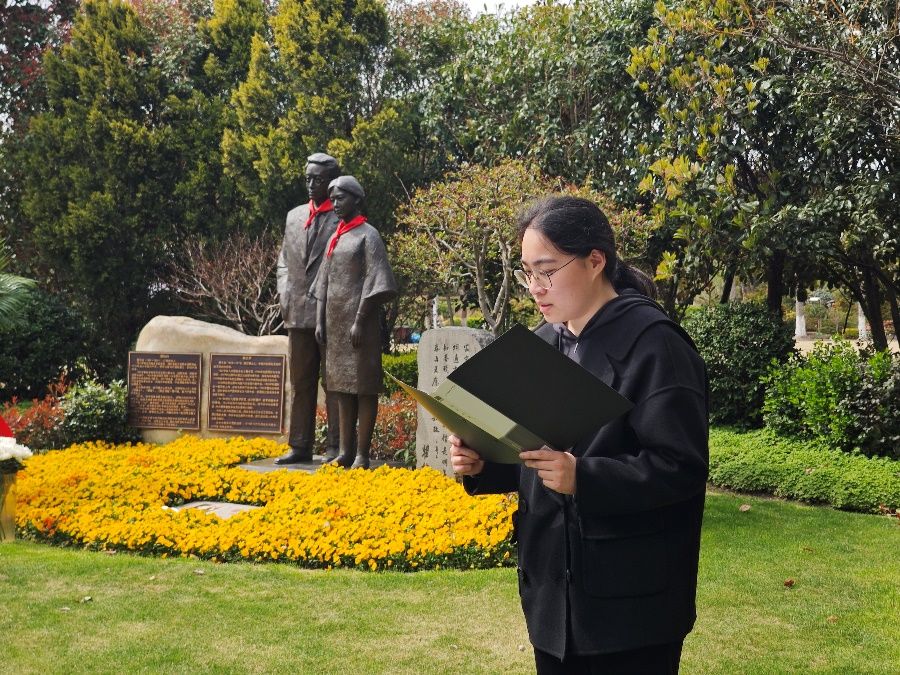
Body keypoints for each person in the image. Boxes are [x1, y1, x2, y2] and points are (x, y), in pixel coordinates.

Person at [450, 196, 708, 674]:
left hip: (631, 606)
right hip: (552, 595)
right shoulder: (542, 344)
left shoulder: (655, 344)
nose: (535, 287)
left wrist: (583, 477)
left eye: (547, 271)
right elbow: (533, 454)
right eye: (528, 273)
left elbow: (681, 467)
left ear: (595, 261)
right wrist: (484, 463)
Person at [314, 175, 397, 469]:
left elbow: (376, 280)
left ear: (356, 199)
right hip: (335, 324)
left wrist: (360, 320)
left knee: (363, 388)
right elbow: (323, 282)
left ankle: (362, 453)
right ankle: (345, 452)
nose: (335, 204)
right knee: (341, 388)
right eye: (332, 199)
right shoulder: (336, 237)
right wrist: (320, 320)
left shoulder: (368, 235)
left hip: (360, 324)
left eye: (340, 198)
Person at [275, 152, 342, 464]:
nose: (312, 184)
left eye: (318, 179)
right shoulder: (294, 216)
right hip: (297, 311)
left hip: (330, 314)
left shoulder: (342, 218)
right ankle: (299, 445)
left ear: (331, 182)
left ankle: (336, 447)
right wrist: (284, 292)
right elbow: (284, 260)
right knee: (300, 383)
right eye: (308, 178)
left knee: (333, 384)